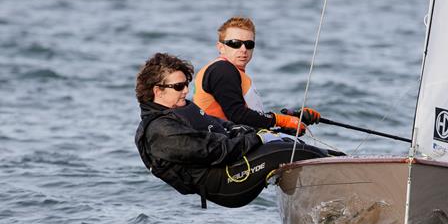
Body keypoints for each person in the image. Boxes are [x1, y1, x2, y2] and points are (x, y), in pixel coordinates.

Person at [135, 52, 329, 209]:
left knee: (288, 143)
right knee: (287, 152)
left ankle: (336, 170)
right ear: (157, 91)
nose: (186, 90)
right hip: (225, 182)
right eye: (178, 86)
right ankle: (348, 176)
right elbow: (213, 150)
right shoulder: (160, 131)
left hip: (231, 162)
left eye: (186, 84)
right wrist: (256, 139)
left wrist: (264, 131)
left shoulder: (178, 108)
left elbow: (222, 126)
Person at [193, 16, 321, 136]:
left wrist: (294, 121)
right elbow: (237, 115)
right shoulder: (222, 70)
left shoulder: (232, 72)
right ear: (220, 47)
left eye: (249, 44)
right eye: (235, 43)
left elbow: (247, 122)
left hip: (238, 141)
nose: (243, 49)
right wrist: (279, 120)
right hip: (225, 147)